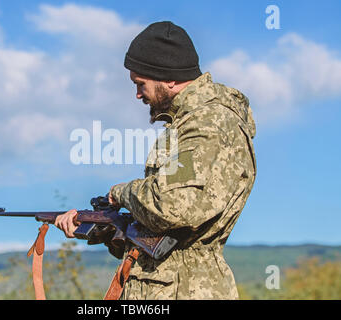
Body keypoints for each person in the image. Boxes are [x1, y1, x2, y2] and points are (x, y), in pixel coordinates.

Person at [55, 21, 256, 300]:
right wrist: (97, 229)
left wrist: (121, 193)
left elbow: (171, 206)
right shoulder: (188, 123)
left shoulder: (209, 123)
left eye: (141, 84)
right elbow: (166, 238)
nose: (137, 94)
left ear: (168, 78)